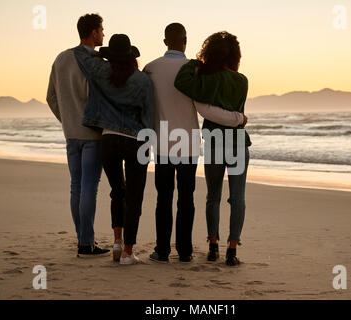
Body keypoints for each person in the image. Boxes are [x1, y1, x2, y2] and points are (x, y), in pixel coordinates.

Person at [143, 23, 247, 263]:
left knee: (164, 198)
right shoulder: (197, 70)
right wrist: (237, 118)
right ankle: (185, 252)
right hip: (188, 144)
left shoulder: (150, 68)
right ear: (185, 41)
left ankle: (161, 251)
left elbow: (146, 105)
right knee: (186, 199)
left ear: (165, 41)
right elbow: (204, 108)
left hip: (162, 143)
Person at [74, 34, 155, 265]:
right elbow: (149, 117)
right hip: (136, 140)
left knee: (117, 191)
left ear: (110, 55)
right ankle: (129, 252)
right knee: (134, 196)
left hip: (108, 139)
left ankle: (117, 242)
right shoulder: (143, 80)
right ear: (131, 56)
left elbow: (80, 52)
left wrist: (98, 54)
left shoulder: (100, 71)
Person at [174, 31, 251, 266]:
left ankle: (213, 246)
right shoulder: (242, 80)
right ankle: (232, 249)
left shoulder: (207, 79)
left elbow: (181, 83)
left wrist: (193, 64)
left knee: (213, 197)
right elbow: (237, 110)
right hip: (237, 143)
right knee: (237, 198)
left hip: (215, 142)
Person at [46, 13, 110, 257]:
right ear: (93, 32)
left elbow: (50, 97)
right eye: (102, 30)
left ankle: (83, 239)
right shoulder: (95, 61)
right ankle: (86, 244)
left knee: (76, 187)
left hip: (71, 133)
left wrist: (68, 120)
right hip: (92, 134)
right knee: (89, 188)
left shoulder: (61, 58)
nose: (103, 34)